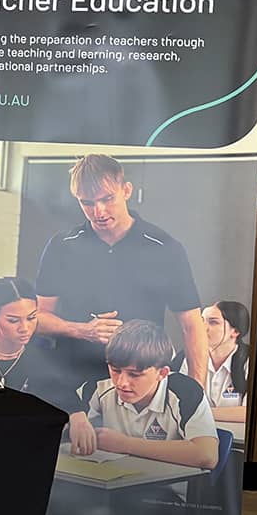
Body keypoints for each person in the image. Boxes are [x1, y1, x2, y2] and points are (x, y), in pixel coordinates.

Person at [34, 154, 209, 390]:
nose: (99, 211)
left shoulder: (165, 249)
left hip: (140, 384)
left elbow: (192, 326)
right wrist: (83, 330)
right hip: (73, 383)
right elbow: (38, 318)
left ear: (126, 190)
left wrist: (196, 393)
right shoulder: (62, 246)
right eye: (87, 203)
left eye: (107, 198)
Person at [51, 320, 220, 515]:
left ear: (162, 373)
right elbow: (61, 415)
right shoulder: (100, 389)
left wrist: (124, 444)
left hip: (165, 497)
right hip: (110, 491)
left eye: (135, 374)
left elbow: (206, 454)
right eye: (115, 370)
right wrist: (76, 421)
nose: (122, 382)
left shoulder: (184, 392)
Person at [0, 277, 68, 403]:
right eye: (13, 320)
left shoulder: (44, 361)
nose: (25, 328)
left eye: (31, 318)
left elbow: (70, 403)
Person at [198, 301, 252, 423]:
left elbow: (249, 412)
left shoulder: (250, 361)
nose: (203, 328)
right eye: (202, 321)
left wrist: (200, 413)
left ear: (236, 331)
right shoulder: (187, 358)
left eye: (213, 322)